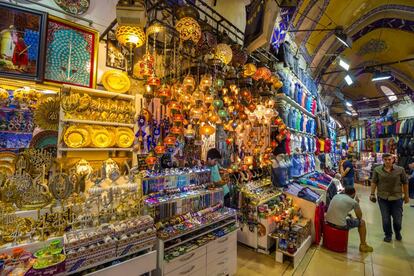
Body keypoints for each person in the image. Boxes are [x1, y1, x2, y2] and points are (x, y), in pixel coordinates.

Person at [370, 153, 409, 242]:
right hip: (383, 198)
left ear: (393, 160)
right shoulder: (377, 170)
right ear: (383, 160)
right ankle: (388, 234)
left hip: (397, 198)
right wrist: (372, 194)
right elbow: (374, 182)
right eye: (385, 159)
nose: (388, 161)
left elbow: (405, 182)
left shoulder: (400, 170)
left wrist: (406, 196)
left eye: (389, 159)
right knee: (386, 219)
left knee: (397, 220)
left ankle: (397, 231)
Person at [325, 187, 373, 252]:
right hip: (340, 226)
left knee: (349, 218)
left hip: (327, 222)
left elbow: (338, 210)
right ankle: (363, 245)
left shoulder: (336, 196)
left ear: (344, 191)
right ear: (354, 194)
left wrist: (349, 215)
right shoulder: (353, 202)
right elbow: (359, 217)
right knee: (362, 223)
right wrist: (357, 203)